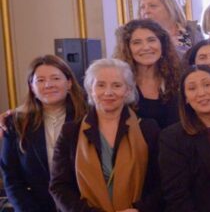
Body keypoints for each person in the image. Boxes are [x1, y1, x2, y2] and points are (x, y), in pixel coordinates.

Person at [49, 58, 163, 212]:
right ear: (90, 90)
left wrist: (140, 209)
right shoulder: (71, 132)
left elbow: (162, 181)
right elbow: (59, 186)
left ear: (128, 90)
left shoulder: (148, 129)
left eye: (116, 85)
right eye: (100, 85)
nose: (108, 92)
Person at [1, 55, 87, 211]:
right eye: (40, 80)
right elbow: (11, 177)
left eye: (55, 78)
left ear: (69, 83)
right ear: (32, 87)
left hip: (83, 206)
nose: (48, 85)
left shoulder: (88, 118)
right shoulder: (15, 123)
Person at [160, 65, 210, 212]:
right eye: (192, 88)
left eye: (207, 85)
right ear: (185, 97)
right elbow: (177, 196)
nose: (201, 93)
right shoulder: (172, 138)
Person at [115, 19, 182, 128]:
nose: (146, 47)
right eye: (137, 42)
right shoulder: (119, 83)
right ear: (127, 48)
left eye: (151, 40)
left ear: (162, 44)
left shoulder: (179, 78)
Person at [139, 0, 204, 53]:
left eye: (152, 6)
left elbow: (194, 58)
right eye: (142, 7)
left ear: (169, 7)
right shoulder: (140, 37)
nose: (146, 11)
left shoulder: (188, 30)